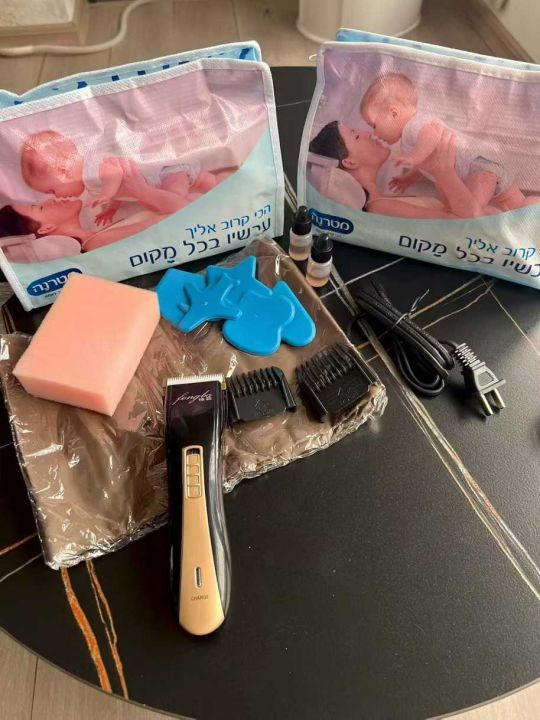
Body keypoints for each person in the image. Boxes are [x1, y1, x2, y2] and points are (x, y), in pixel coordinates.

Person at [359, 72, 540, 214]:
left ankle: (486, 222)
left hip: (478, 167)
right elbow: (428, 160)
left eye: (373, 125)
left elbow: (431, 135)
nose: (374, 132)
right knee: (516, 203)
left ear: (394, 113)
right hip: (488, 165)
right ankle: (532, 209)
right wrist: (410, 177)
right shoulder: (412, 135)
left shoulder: (414, 125)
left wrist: (414, 157)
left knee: (466, 213)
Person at [20, 130, 232, 226]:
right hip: (168, 172)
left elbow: (113, 172)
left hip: (166, 173)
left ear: (62, 171)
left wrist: (107, 194)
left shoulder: (90, 168)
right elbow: (120, 189)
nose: (56, 197)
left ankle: (221, 194)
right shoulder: (90, 182)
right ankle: (229, 181)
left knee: (174, 201)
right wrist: (111, 207)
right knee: (207, 181)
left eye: (51, 190)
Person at [309, 120, 490, 219]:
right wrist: (445, 172)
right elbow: (469, 229)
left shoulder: (384, 202)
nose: (367, 133)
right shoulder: (378, 207)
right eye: (356, 136)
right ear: (349, 162)